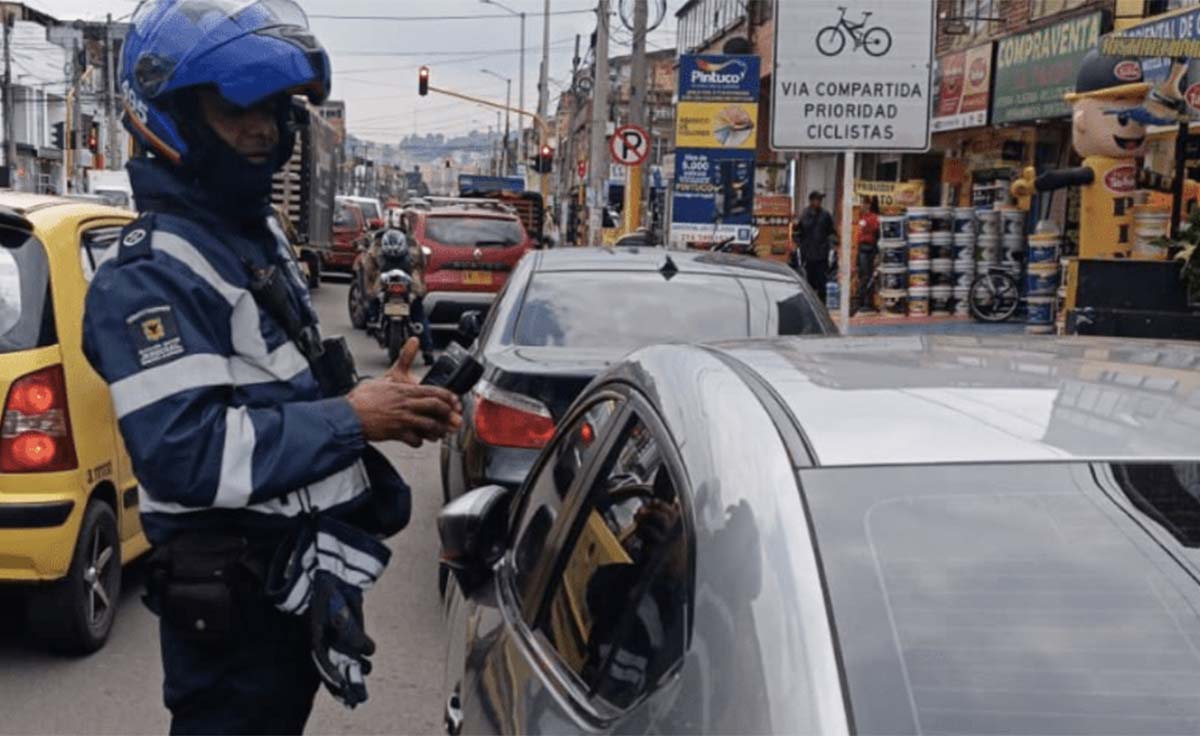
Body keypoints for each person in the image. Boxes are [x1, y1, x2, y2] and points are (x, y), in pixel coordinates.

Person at [81, 2, 461, 733]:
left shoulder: (256, 241)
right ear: (172, 116)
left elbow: (284, 393)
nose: (262, 130)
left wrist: (384, 404)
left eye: (273, 110)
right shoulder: (149, 274)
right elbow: (186, 454)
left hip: (289, 592)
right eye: (234, 109)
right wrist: (353, 417)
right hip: (230, 614)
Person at [790, 190, 838, 302]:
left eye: (820, 200)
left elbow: (831, 232)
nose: (819, 202)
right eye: (817, 199)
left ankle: (822, 305)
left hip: (822, 255)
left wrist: (833, 246)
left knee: (822, 283)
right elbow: (797, 232)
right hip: (808, 255)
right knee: (809, 283)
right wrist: (797, 245)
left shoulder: (826, 215)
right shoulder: (804, 215)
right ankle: (811, 305)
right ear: (811, 201)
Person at [854, 196, 881, 315]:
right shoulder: (861, 217)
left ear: (869, 205)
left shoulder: (874, 218)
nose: (863, 206)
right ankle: (862, 303)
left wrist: (876, 252)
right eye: (862, 204)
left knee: (869, 277)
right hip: (862, 250)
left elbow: (877, 234)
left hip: (870, 249)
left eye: (865, 204)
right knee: (863, 277)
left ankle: (868, 303)